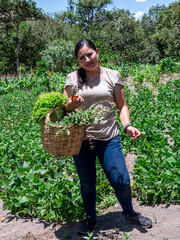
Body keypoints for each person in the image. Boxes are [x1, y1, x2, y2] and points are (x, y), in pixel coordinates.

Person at [63, 39, 152, 235]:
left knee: (120, 180)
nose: (87, 59)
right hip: (81, 142)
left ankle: (129, 213)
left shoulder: (112, 76)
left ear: (97, 52)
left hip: (108, 138)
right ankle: (90, 219)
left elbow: (122, 106)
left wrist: (127, 125)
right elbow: (64, 109)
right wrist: (71, 104)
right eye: (82, 58)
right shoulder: (72, 79)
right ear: (78, 61)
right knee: (87, 182)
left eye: (90, 54)